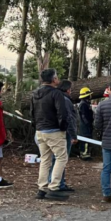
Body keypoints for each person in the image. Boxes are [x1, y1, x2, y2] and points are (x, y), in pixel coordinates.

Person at [31, 69, 70, 201]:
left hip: (40, 130)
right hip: (54, 130)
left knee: (45, 159)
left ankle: (42, 188)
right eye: (57, 77)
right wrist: (63, 128)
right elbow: (62, 113)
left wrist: (36, 126)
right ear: (54, 80)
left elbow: (32, 112)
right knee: (61, 158)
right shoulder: (56, 93)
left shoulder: (35, 93)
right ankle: (54, 187)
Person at [46, 80, 77, 192]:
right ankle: (59, 183)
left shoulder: (54, 97)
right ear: (68, 89)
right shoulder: (66, 100)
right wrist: (73, 135)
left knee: (54, 159)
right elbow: (69, 118)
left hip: (51, 131)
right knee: (61, 159)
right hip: (64, 133)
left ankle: (52, 180)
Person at [78, 87, 94, 160]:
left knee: (87, 140)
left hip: (85, 125)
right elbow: (84, 116)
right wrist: (88, 124)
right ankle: (85, 155)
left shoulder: (85, 103)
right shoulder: (83, 104)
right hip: (85, 126)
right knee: (85, 141)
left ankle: (86, 154)